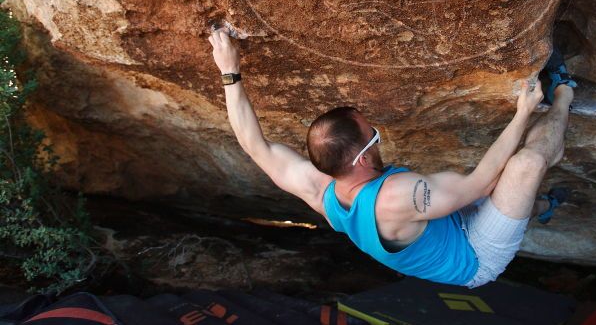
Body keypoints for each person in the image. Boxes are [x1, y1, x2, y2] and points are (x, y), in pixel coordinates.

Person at [208, 26, 576, 288]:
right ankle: (564, 93)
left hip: (441, 224)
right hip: (473, 256)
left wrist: (229, 71)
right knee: (522, 167)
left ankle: (539, 204)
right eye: (375, 136)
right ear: (363, 160)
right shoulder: (397, 196)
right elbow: (477, 185)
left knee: (499, 192)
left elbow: (253, 144)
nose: (378, 137)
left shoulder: (320, 190)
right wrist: (524, 112)